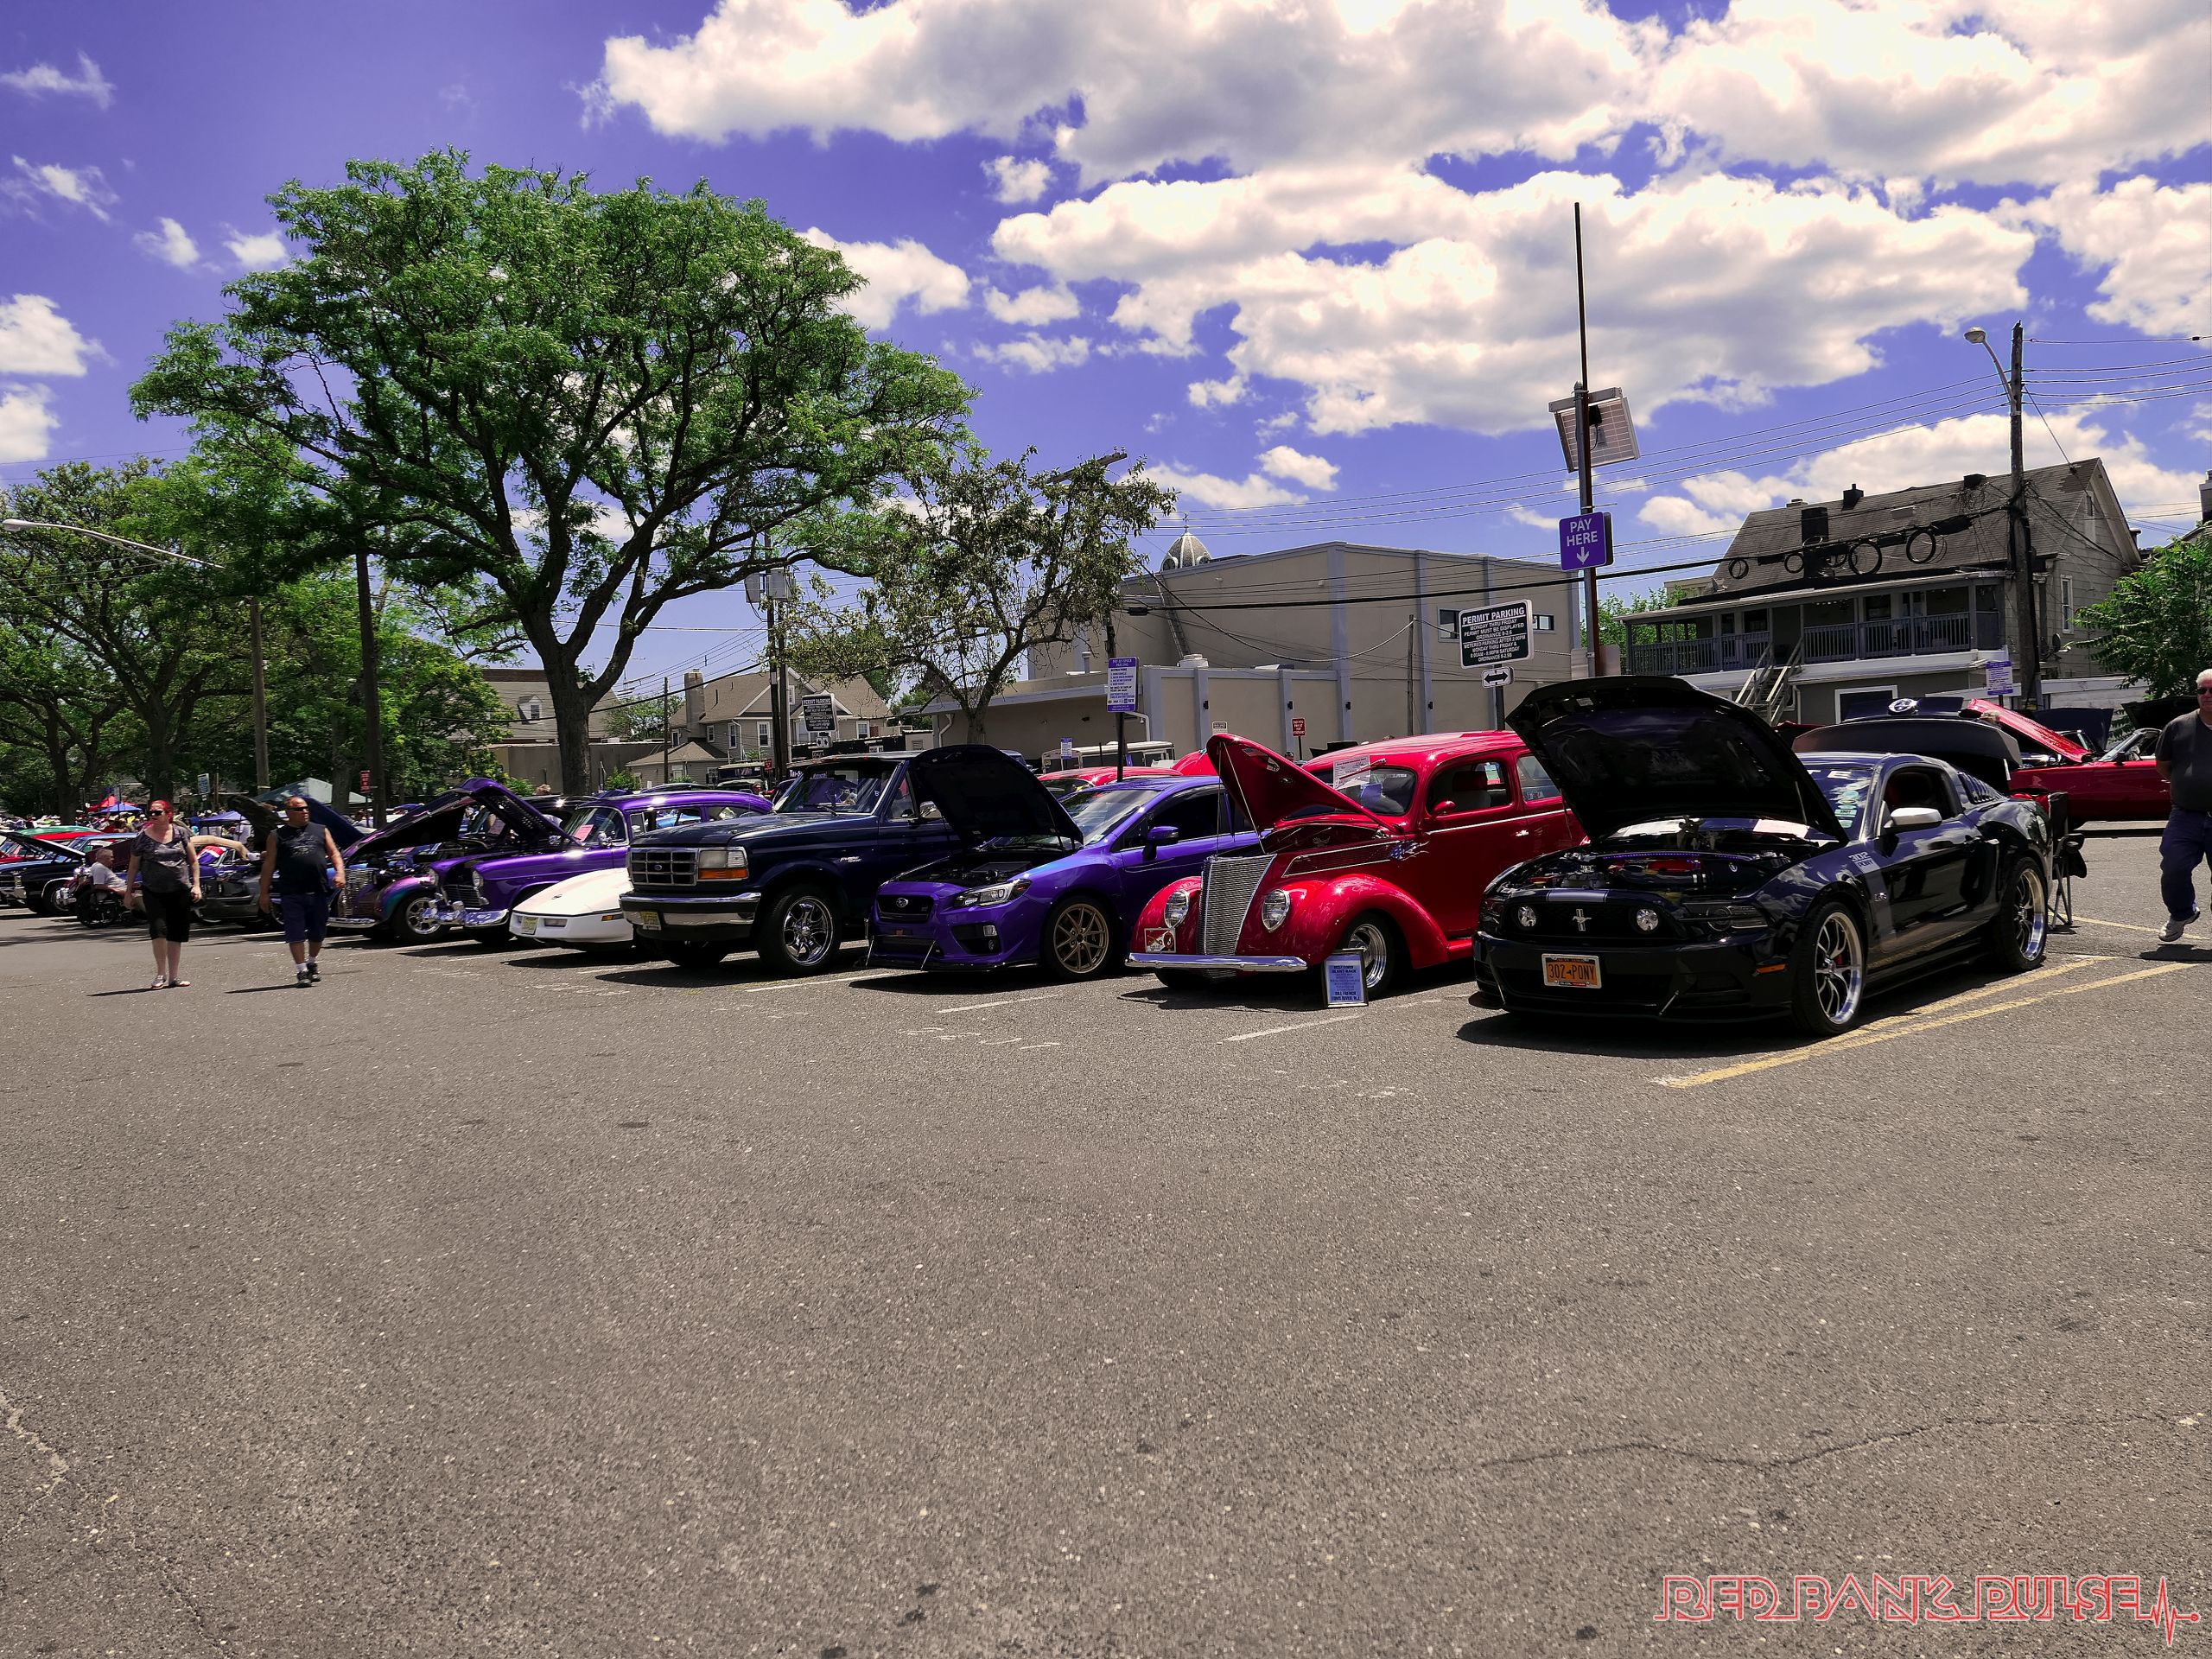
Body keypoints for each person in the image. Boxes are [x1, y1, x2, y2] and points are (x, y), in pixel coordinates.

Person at [258, 795, 346, 986]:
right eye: (299, 809)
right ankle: (302, 971)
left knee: (318, 932)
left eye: (306, 808)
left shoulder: (321, 830)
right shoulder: (276, 836)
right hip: (291, 892)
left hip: (318, 890)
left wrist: (340, 873)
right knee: (295, 932)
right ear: (288, 812)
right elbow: (269, 865)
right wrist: (264, 893)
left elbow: (334, 853)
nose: (304, 812)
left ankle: (312, 963)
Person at [2155, 667, 2212, 944]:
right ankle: (2182, 913)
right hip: (2186, 815)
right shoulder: (2178, 726)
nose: (2207, 695)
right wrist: (2189, 784)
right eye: (2202, 690)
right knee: (2174, 868)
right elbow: (2163, 766)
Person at [124, 801, 200, 989]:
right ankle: (160, 974)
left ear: (168, 814)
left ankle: (174, 976)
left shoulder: (181, 833)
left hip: (180, 889)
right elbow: (133, 867)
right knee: (158, 931)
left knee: (176, 933)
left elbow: (193, 861)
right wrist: (128, 892)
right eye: (150, 812)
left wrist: (196, 885)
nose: (153, 815)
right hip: (153, 891)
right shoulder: (142, 837)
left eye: (157, 812)